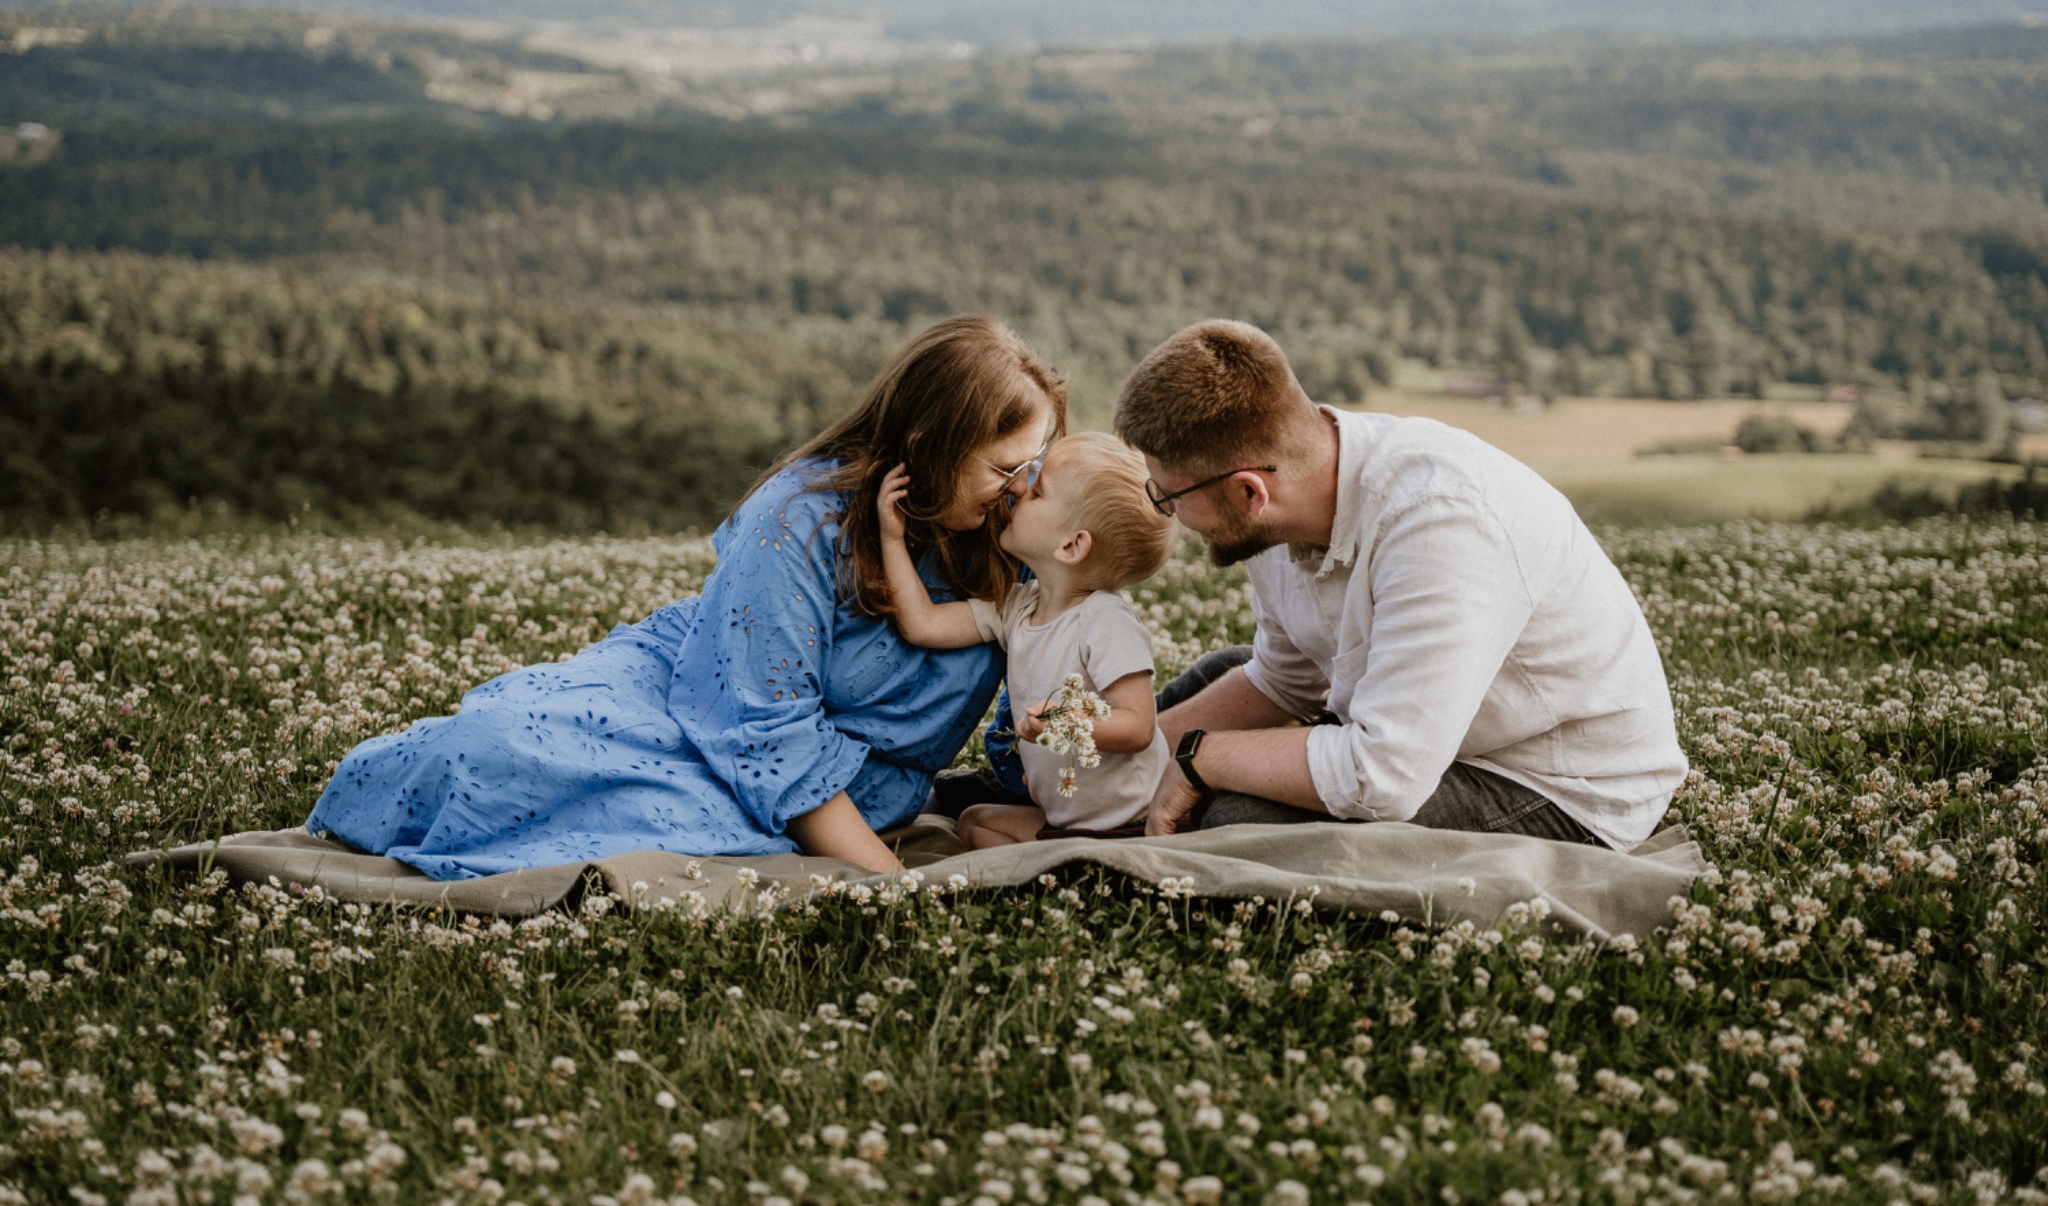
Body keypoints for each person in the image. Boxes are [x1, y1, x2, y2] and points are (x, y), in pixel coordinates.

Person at [304, 316, 1066, 878]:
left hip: (839, 784)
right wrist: (891, 880)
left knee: (619, 806)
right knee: (496, 749)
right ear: (932, 444)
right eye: (1005, 468)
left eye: (1033, 465)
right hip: (699, 697)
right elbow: (765, 725)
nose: (1021, 488)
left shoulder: (1017, 535)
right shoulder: (799, 517)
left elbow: (1027, 709)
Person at [1112, 320, 1685, 851]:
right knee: (1216, 679)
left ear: (1248, 494)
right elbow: (1287, 682)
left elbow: (1383, 776)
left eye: (1168, 496)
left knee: (1236, 819)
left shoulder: (1440, 522)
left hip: (1553, 784)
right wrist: (1126, 757)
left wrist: (1200, 758)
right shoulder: (1279, 510)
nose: (1166, 512)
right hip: (1429, 736)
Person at [877, 433, 1178, 849]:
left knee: (979, 827)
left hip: (1131, 823)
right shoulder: (1016, 608)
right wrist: (891, 540)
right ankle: (1056, 871)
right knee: (974, 822)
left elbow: (1139, 726)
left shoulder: (1105, 620)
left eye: (1037, 492)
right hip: (1064, 822)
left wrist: (1065, 723)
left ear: (1072, 545)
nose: (1018, 489)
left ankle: (1060, 873)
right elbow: (923, 623)